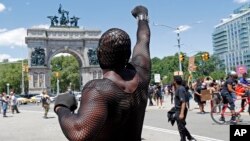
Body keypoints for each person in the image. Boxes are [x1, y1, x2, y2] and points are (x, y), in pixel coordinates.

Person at [54, 5, 151, 141]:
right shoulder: (142, 73)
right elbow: (144, 39)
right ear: (129, 53)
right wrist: (142, 16)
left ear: (98, 54)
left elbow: (78, 132)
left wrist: (61, 107)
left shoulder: (97, 89)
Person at [173, 76, 196, 141]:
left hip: (180, 110)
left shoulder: (180, 89)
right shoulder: (180, 88)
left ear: (175, 81)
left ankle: (184, 139)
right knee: (181, 126)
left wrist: (181, 113)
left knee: (181, 127)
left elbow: (183, 102)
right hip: (178, 109)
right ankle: (189, 137)